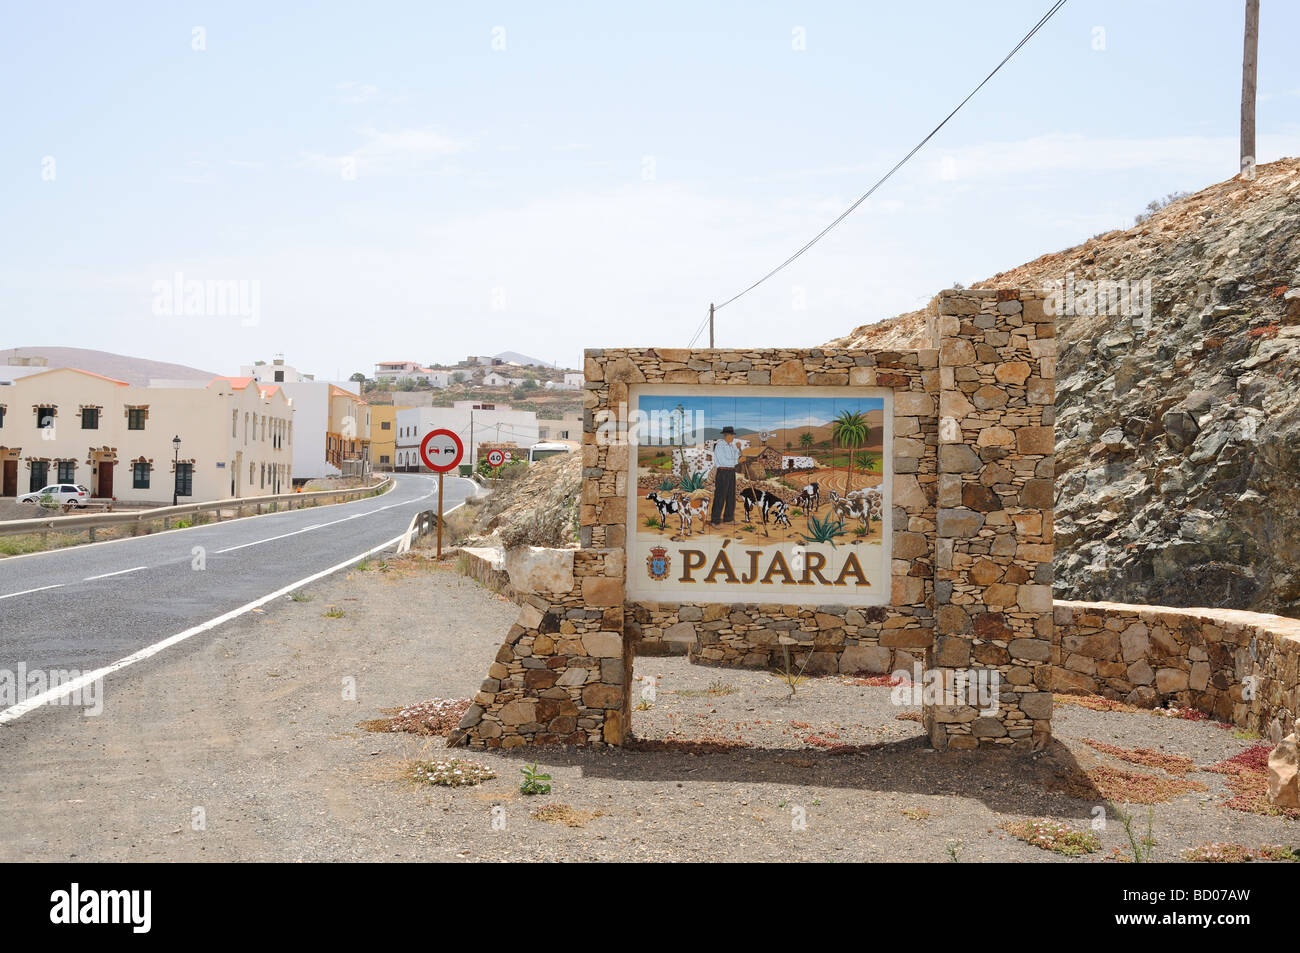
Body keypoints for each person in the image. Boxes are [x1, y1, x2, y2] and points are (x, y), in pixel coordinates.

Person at [709, 426, 739, 525]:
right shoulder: (720, 446)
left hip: (731, 472)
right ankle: (715, 520)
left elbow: (736, 457)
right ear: (726, 435)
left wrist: (738, 450)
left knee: (731, 495)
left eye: (733, 435)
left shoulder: (732, 446)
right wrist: (737, 461)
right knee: (720, 495)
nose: (733, 437)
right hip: (723, 472)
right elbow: (723, 461)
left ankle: (728, 518)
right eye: (731, 435)